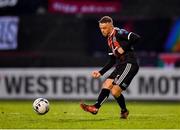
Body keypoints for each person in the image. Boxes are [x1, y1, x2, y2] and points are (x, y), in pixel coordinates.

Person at [80, 16, 140, 119]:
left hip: (129, 63)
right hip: (121, 64)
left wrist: (123, 49)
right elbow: (112, 60)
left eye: (105, 28)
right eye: (101, 28)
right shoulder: (109, 39)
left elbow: (136, 37)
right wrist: (100, 72)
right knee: (107, 84)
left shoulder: (119, 32)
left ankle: (123, 110)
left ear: (111, 26)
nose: (102, 30)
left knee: (115, 91)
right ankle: (96, 108)